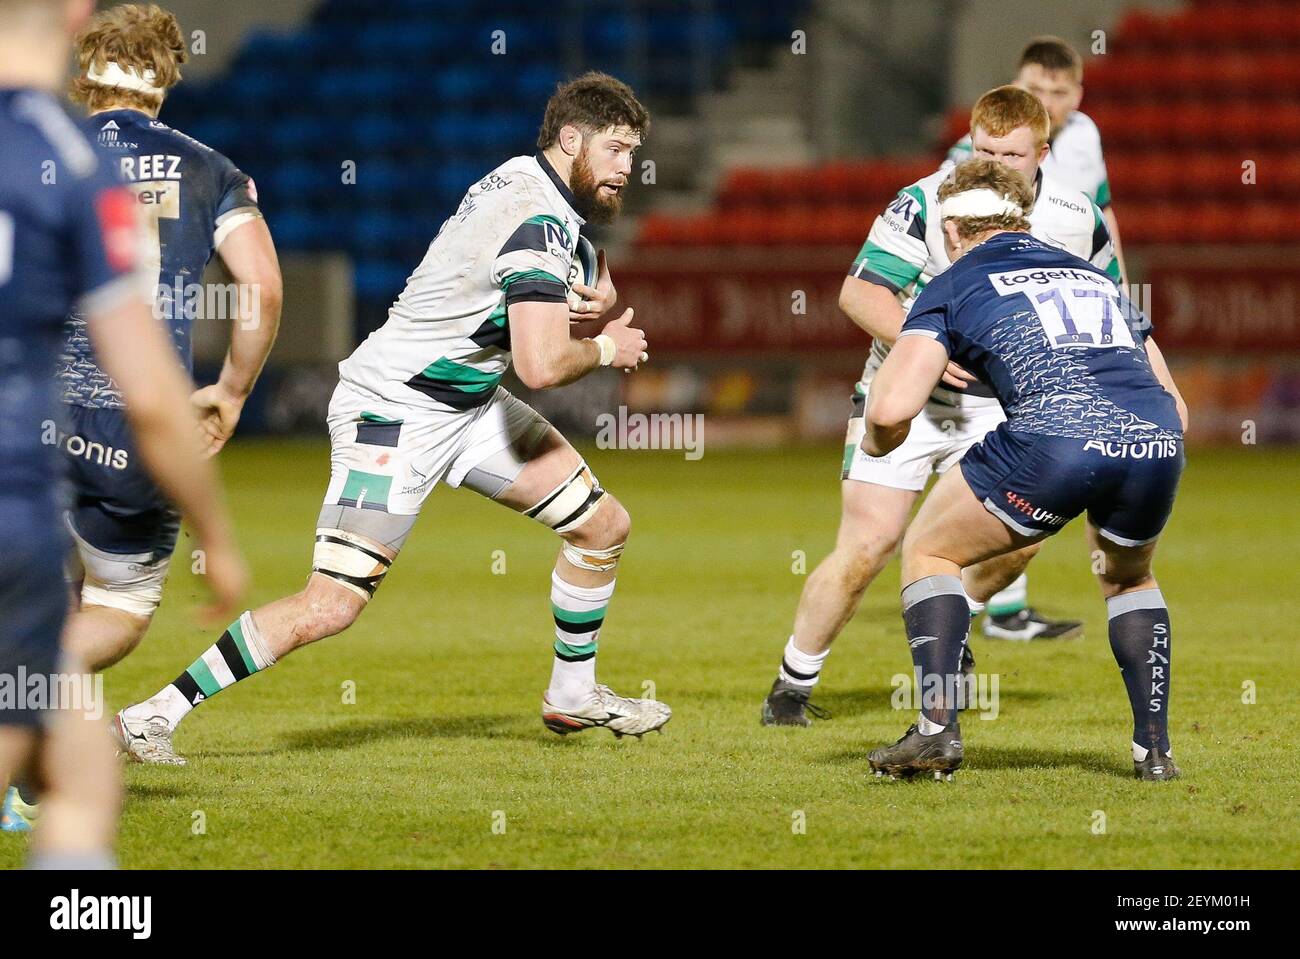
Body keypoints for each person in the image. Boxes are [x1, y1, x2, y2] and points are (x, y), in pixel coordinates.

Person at [115, 72, 670, 766]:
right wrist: (606, 344)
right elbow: (540, 364)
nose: (628, 167)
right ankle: (149, 715)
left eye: (632, 152)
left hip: (464, 403)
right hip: (396, 412)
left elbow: (526, 277)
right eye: (617, 149)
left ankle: (573, 693)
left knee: (601, 524)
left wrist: (581, 286)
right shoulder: (538, 219)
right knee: (330, 604)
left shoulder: (525, 182)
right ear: (570, 138)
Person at [762, 86, 1118, 726]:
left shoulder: (1073, 214)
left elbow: (1102, 307)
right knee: (869, 546)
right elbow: (860, 293)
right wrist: (921, 343)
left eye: (1012, 155)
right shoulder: (924, 200)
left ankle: (952, 631)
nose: (994, 166)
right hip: (906, 394)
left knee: (1021, 540)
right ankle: (791, 687)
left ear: (1043, 151)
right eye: (983, 150)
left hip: (998, 405)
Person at [0, 0, 244, 861]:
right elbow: (259, 290)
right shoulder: (180, 167)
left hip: (35, 434)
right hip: (111, 437)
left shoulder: (56, 149)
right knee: (112, 620)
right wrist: (233, 392)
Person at [863, 158, 1186, 782]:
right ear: (1020, 217)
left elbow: (892, 404)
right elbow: (1176, 404)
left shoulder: (954, 281)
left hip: (1055, 439)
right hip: (1155, 438)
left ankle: (935, 731)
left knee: (930, 553)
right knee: (1128, 579)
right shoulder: (1094, 277)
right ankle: (1154, 754)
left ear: (952, 232)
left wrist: (882, 441)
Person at [59, 2, 280, 674]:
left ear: (85, 76)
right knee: (120, 604)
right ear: (167, 76)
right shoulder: (209, 169)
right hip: (142, 420)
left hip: (31, 409)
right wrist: (233, 391)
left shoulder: (40, 155)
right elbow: (262, 289)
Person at [943, 35, 1128, 284]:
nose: (1046, 103)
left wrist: (1123, 287)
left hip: (1072, 277)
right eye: (1035, 90)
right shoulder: (974, 151)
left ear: (1077, 96)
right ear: (1016, 88)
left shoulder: (1085, 132)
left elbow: (1103, 207)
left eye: (1059, 93)